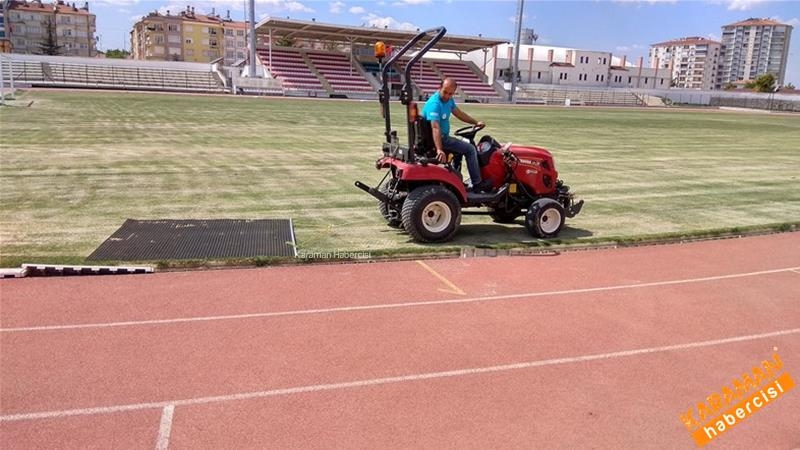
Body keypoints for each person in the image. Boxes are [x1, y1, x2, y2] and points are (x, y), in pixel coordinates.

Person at [421, 78, 492, 193]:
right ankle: (478, 184)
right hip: (439, 140)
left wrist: (475, 122)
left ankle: (456, 180)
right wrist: (439, 149)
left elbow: (459, 114)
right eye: (445, 92)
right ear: (440, 88)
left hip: (442, 138)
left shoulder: (449, 101)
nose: (447, 96)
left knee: (460, 148)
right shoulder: (434, 104)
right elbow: (435, 127)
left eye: (450, 94)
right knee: (470, 149)